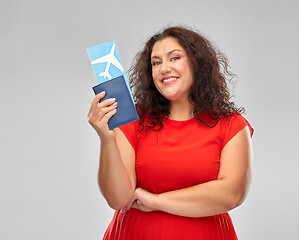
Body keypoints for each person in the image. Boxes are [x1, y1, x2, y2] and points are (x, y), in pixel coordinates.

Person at [87, 26, 254, 240]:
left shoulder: (231, 125)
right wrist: (106, 138)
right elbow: (118, 199)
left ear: (197, 63)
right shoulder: (134, 120)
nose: (164, 68)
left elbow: (232, 193)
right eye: (156, 62)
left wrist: (155, 201)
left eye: (174, 58)